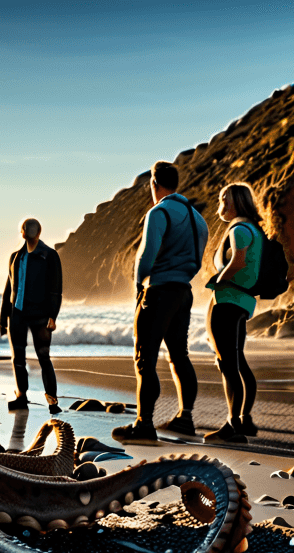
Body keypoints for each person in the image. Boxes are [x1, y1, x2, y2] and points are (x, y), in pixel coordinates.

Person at [112, 161, 208, 445]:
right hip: (183, 292)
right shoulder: (197, 218)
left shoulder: (159, 212)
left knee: (145, 358)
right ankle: (185, 418)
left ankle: (144, 425)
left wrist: (138, 287)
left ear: (154, 184)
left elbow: (146, 255)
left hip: (159, 290)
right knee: (179, 355)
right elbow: (198, 257)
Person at [203, 182, 262, 443]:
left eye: (224, 199)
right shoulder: (255, 229)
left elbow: (238, 260)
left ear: (236, 202)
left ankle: (232, 426)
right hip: (245, 301)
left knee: (227, 364)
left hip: (228, 299)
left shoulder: (239, 229)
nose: (221, 204)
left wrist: (218, 282)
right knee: (239, 363)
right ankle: (244, 419)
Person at [0, 218, 63, 414]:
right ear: (22, 232)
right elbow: (8, 288)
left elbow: (56, 289)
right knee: (18, 358)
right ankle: (21, 397)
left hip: (41, 315)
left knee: (44, 356)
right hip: (16, 314)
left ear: (39, 231)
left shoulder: (50, 255)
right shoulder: (15, 257)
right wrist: (3, 318)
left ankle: (52, 402)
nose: (28, 231)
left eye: (31, 228)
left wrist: (53, 315)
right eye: (26, 228)